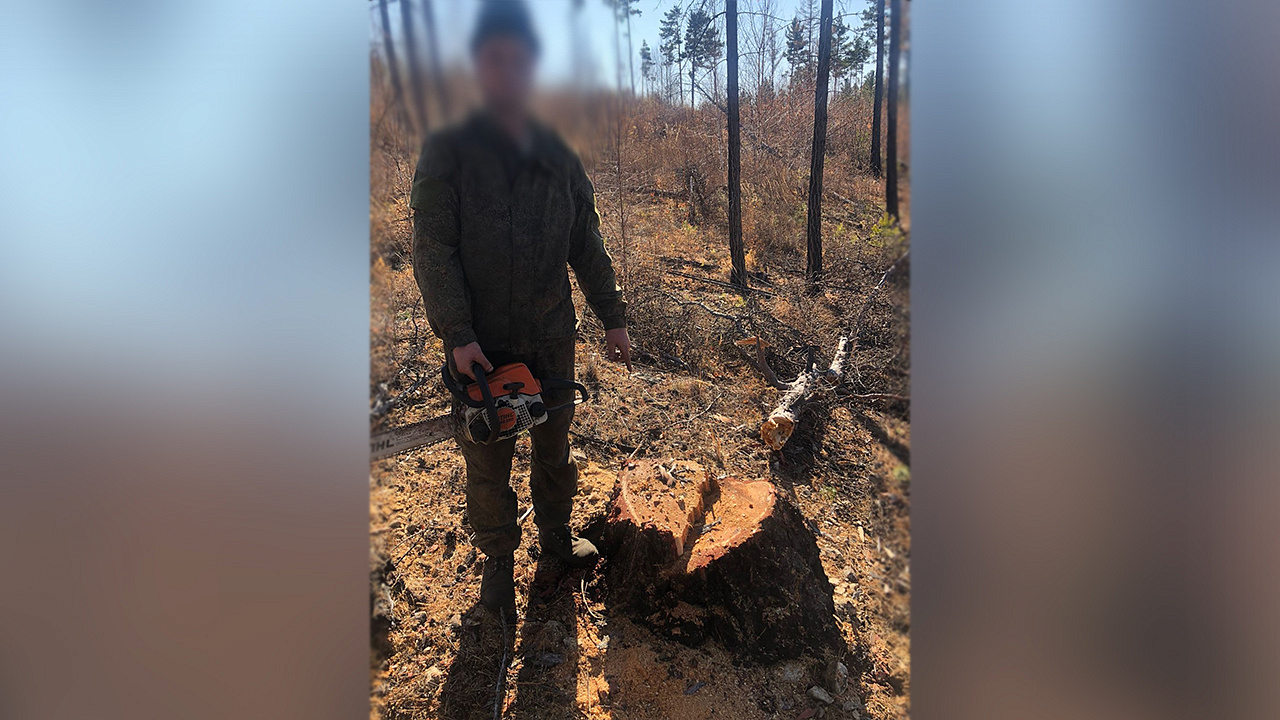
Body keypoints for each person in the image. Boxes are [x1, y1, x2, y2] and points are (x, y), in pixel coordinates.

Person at [410, 0, 631, 615]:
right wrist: (457, 332)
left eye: (519, 59)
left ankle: (555, 538)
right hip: (483, 347)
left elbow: (585, 242)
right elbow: (432, 247)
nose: (508, 72)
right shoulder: (447, 148)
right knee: (488, 460)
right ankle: (498, 563)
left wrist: (613, 316)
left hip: (552, 337)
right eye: (495, 59)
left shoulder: (558, 150)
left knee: (554, 449)